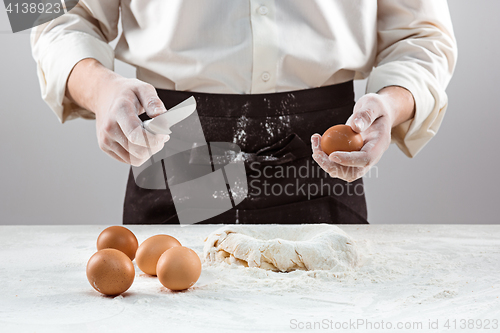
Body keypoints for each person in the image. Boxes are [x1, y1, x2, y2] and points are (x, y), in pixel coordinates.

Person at [30, 0, 457, 224]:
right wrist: (101, 88)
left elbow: (425, 34)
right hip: (178, 139)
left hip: (323, 154)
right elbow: (41, 11)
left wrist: (393, 100)